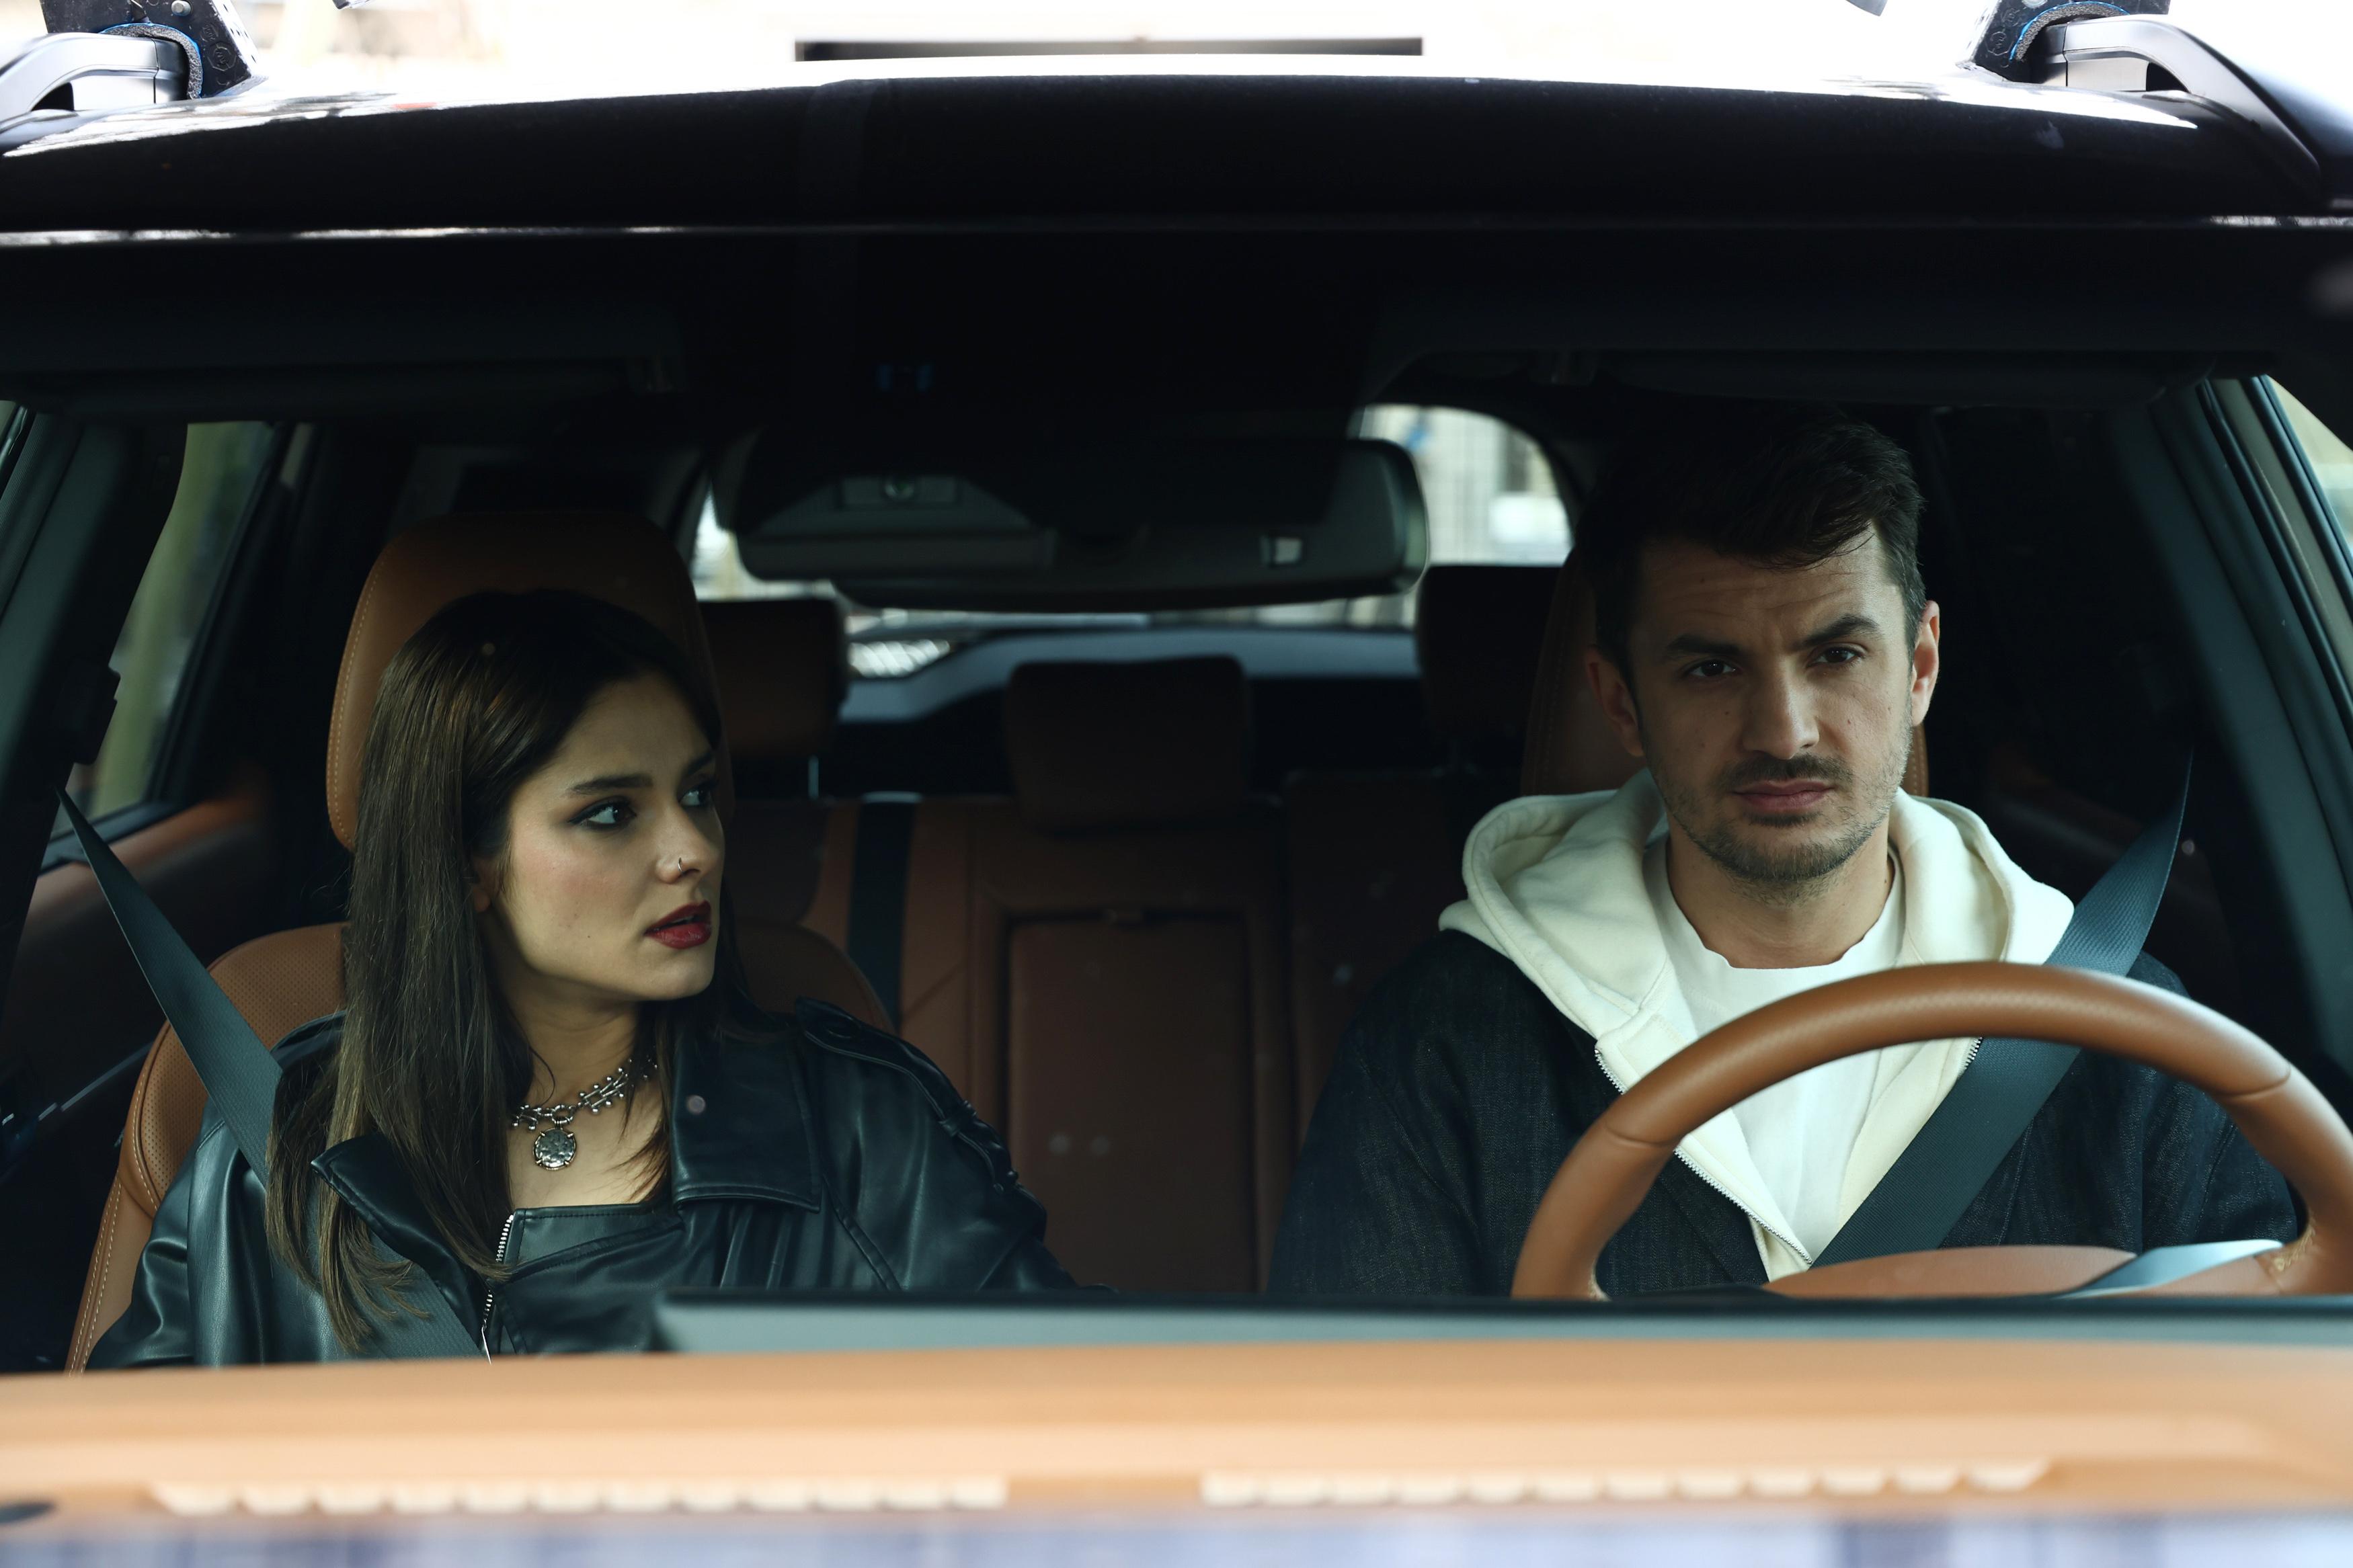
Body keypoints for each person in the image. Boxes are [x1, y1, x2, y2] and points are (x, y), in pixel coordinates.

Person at [1270, 403, 2297, 1297]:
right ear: (1621, 703)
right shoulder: (1448, 1040)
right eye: (1712, 669)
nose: (1784, 730)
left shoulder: (2125, 1033)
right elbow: (1357, 1421)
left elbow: (2271, 1405)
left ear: (1920, 666)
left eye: (1837, 654)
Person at [93, 591, 1070, 1366]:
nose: (695, 849)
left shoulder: (863, 1132)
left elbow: (1069, 1431)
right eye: (610, 813)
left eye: (697, 792)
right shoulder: (282, 1146)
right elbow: (121, 1492)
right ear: (466, 863)